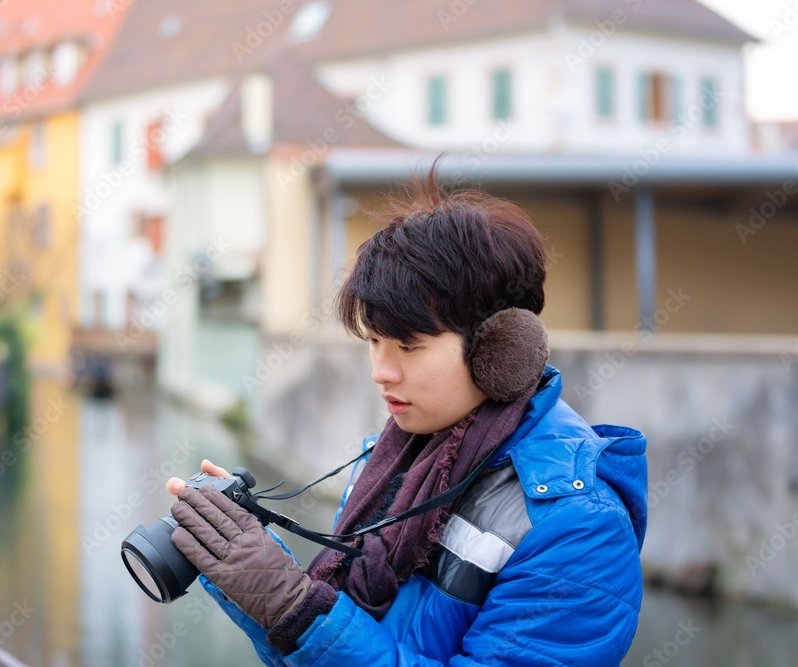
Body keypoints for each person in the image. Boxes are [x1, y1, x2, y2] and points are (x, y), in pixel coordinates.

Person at [165, 165, 648, 666]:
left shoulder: (578, 526)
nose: (381, 372)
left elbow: (322, 627)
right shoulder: (389, 463)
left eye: (408, 346)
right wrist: (251, 572)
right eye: (373, 342)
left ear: (501, 349)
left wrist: (293, 605)